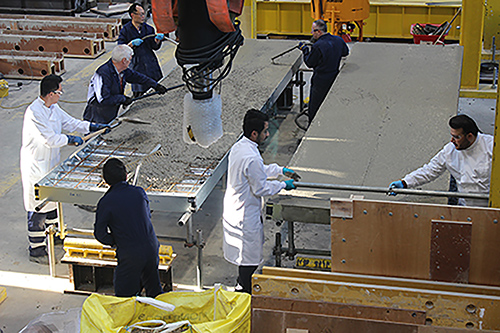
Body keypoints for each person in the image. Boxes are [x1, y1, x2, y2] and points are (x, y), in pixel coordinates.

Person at [20, 74, 110, 264]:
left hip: (51, 164)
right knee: (38, 207)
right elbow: (49, 139)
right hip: (36, 166)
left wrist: (91, 126)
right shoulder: (34, 113)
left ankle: (55, 238)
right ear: (51, 93)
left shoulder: (53, 108)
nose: (61, 95)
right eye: (59, 92)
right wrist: (70, 139)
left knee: (52, 202)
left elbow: (70, 122)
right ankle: (36, 249)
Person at [222, 109, 300, 294]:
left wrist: (280, 170)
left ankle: (242, 288)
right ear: (254, 133)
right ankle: (243, 296)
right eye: (265, 131)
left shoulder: (240, 147)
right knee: (248, 262)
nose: (267, 134)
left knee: (245, 259)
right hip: (244, 216)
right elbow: (261, 188)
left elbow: (258, 171)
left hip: (236, 209)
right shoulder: (250, 156)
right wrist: (283, 185)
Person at [389, 114, 493, 207]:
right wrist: (405, 182)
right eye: (451, 135)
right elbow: (429, 170)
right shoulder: (449, 151)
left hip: (490, 209)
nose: (452, 140)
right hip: (465, 208)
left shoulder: (491, 146)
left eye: (456, 137)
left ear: (469, 136)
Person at [94, 158, 163, 297]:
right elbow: (147, 216)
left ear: (105, 180)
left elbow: (100, 234)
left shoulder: (106, 202)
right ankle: (158, 314)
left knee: (125, 295)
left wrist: (115, 240)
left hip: (130, 253)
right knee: (154, 289)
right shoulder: (139, 192)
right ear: (126, 175)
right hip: (151, 247)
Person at [83, 44, 168, 124]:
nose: (130, 62)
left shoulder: (122, 70)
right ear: (124, 60)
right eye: (130, 59)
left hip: (109, 113)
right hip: (97, 117)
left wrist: (155, 85)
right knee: (95, 137)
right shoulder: (103, 74)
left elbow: (138, 77)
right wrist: (122, 99)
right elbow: (103, 99)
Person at [298, 19, 349, 125]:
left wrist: (305, 50)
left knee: (315, 107)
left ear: (319, 32)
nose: (312, 33)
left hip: (320, 80)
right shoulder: (338, 40)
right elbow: (345, 52)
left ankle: (312, 128)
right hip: (334, 76)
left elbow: (310, 63)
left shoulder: (318, 46)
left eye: (313, 31)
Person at [118, 3, 165, 98]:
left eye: (144, 14)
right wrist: (131, 44)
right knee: (139, 93)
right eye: (141, 14)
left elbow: (154, 47)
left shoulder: (148, 29)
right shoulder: (126, 30)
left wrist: (158, 40)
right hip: (137, 65)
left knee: (156, 87)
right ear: (132, 15)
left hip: (150, 63)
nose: (143, 17)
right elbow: (120, 49)